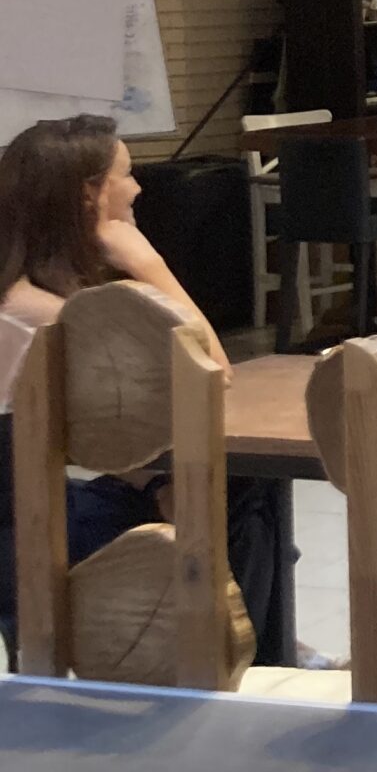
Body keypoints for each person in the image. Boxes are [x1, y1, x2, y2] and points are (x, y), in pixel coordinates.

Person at [0, 116, 290, 666]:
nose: (138, 188)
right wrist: (147, 263)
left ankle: (257, 652)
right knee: (239, 497)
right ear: (90, 195)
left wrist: (154, 480)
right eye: (127, 175)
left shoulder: (44, 292)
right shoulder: (39, 315)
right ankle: (242, 663)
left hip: (41, 500)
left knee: (237, 488)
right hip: (30, 529)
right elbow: (211, 372)